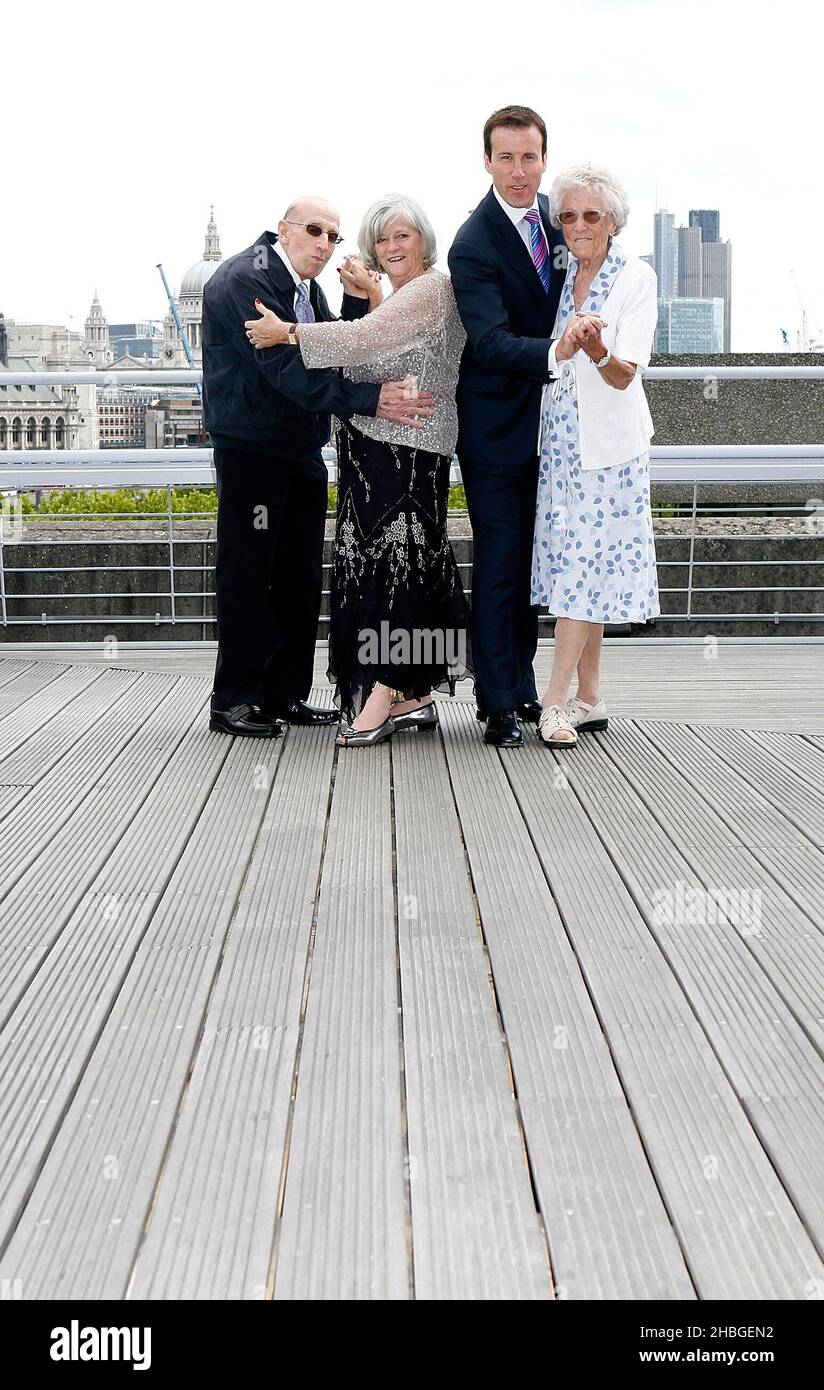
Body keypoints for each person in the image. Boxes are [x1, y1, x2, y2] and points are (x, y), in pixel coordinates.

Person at [245, 194, 472, 747]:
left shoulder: (432, 289)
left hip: (406, 455)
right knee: (397, 568)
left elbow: (360, 341)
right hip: (373, 453)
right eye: (382, 239)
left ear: (424, 241)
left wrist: (290, 332)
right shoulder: (400, 297)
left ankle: (382, 690)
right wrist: (369, 296)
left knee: (393, 574)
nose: (392, 247)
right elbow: (372, 350)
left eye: (403, 236)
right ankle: (412, 692)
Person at [201, 196, 433, 737]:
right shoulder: (245, 280)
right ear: (283, 230)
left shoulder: (306, 289)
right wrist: (375, 400)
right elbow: (290, 372)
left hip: (299, 452)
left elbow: (331, 352)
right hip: (253, 453)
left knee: (297, 579)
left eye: (334, 236)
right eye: (314, 231)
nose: (326, 244)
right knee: (248, 575)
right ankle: (234, 699)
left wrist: (353, 305)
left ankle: (284, 695)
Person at [448, 105, 566, 748]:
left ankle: (523, 687)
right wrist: (560, 352)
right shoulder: (475, 240)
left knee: (532, 562)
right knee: (498, 562)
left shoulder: (560, 216)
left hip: (556, 428)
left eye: (529, 157)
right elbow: (489, 342)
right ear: (486, 160)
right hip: (495, 428)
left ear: (544, 158)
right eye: (506, 158)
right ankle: (497, 703)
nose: (519, 171)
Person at [530, 164, 660, 747]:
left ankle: (554, 702)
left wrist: (599, 347)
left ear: (612, 221)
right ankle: (590, 697)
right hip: (561, 445)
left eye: (591, 215)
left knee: (583, 569)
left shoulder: (635, 278)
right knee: (588, 564)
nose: (578, 225)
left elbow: (624, 374)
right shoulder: (563, 277)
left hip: (607, 451)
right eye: (568, 216)